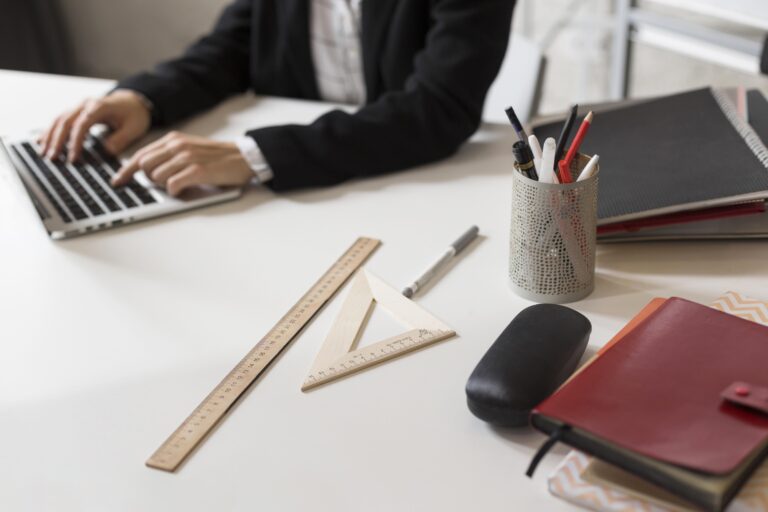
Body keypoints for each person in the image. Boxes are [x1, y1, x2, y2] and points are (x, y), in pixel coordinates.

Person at [39, 0, 515, 196]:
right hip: (299, 201)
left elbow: (438, 108)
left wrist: (254, 155)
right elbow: (233, 47)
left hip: (406, 190)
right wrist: (143, 99)